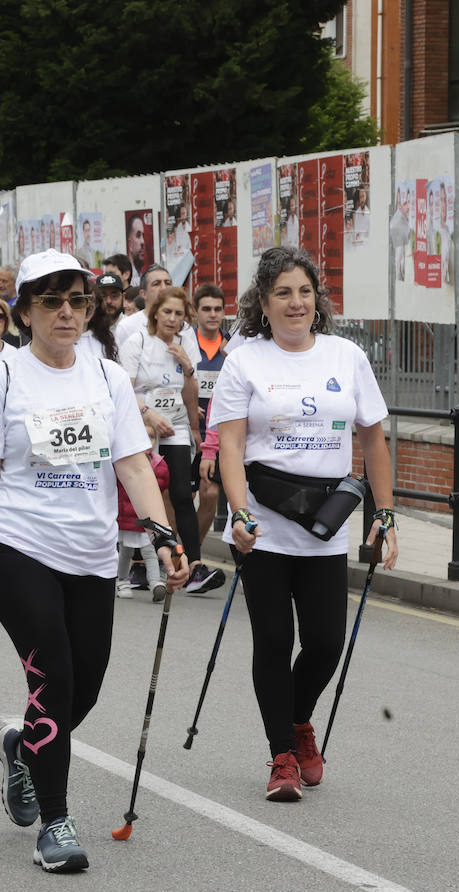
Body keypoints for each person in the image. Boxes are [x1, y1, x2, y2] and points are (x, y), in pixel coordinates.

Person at [0, 248, 189, 873]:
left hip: (91, 554)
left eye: (76, 301)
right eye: (50, 301)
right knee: (52, 671)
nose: (65, 313)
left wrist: (163, 534)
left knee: (85, 682)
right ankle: (55, 822)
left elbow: (133, 463)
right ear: (25, 311)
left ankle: (21, 745)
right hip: (17, 545)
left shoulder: (107, 377)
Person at [210, 246, 397, 801]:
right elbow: (232, 444)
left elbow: (373, 441)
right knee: (272, 640)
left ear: (318, 301)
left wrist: (384, 513)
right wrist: (239, 513)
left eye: (305, 292)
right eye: (283, 293)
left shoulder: (346, 356)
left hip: (325, 526)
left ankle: (298, 721)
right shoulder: (246, 360)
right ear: (262, 304)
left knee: (324, 644)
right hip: (262, 525)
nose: (296, 303)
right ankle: (282, 757)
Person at [119, 287, 213, 591]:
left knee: (182, 494)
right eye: (167, 312)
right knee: (144, 493)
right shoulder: (138, 342)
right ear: (155, 312)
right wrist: (148, 414)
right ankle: (137, 564)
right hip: (143, 425)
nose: (172, 320)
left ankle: (194, 565)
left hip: (175, 425)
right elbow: (125, 391)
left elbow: (190, 394)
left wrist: (187, 368)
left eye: (179, 314)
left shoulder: (187, 344)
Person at [189, 284, 231, 594]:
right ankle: (177, 556)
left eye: (218, 309)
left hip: (214, 437)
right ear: (196, 312)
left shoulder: (232, 352)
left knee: (210, 494)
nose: (213, 314)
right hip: (181, 433)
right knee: (175, 499)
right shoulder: (187, 344)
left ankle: (193, 558)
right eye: (207, 309)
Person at [115, 435, 169, 601]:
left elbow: (163, 483)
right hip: (126, 517)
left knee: (149, 551)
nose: (148, 441)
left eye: (152, 437)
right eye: (144, 436)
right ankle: (122, 581)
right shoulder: (123, 459)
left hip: (146, 517)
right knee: (125, 551)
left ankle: (155, 583)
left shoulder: (159, 464)